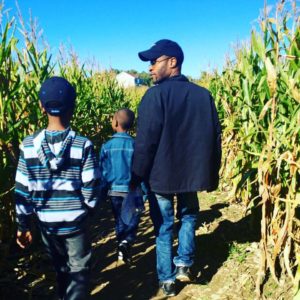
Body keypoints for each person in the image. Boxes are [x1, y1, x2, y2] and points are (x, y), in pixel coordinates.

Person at [130, 39, 222, 297]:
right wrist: (211, 175)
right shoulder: (203, 95)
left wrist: (136, 176)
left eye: (153, 61)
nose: (150, 68)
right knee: (189, 217)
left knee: (163, 227)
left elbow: (145, 142)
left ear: (173, 62)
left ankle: (167, 280)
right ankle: (184, 263)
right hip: (192, 176)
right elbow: (215, 138)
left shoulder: (154, 96)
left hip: (160, 177)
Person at [15, 76, 101, 300]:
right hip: (75, 222)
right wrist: (87, 211)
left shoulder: (28, 146)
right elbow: (92, 184)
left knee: (60, 269)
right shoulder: (83, 144)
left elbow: (22, 189)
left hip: (47, 224)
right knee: (79, 270)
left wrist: (22, 225)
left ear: (41, 107)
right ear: (73, 106)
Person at [99, 108, 141, 264]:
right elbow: (141, 169)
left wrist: (102, 193)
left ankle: (121, 247)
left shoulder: (107, 146)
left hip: (114, 191)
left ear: (115, 122)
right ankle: (126, 243)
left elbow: (103, 172)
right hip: (133, 190)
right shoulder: (136, 145)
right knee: (133, 220)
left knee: (119, 220)